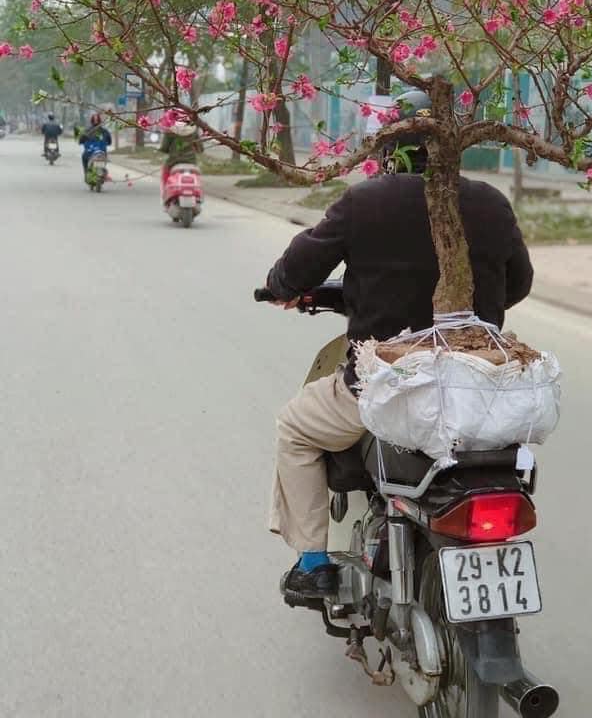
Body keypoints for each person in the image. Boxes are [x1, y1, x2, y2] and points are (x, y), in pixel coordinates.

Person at [264, 91, 534, 598]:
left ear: (392, 147)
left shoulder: (365, 201)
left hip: (390, 387)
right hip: (478, 389)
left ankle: (314, 563)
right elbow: (518, 283)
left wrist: (281, 284)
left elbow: (300, 266)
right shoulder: (490, 203)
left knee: (295, 428)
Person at [159, 119, 201, 190]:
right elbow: (200, 149)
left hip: (173, 162)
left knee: (165, 174)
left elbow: (164, 148)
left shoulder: (170, 131)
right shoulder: (194, 131)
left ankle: (166, 192)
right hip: (191, 162)